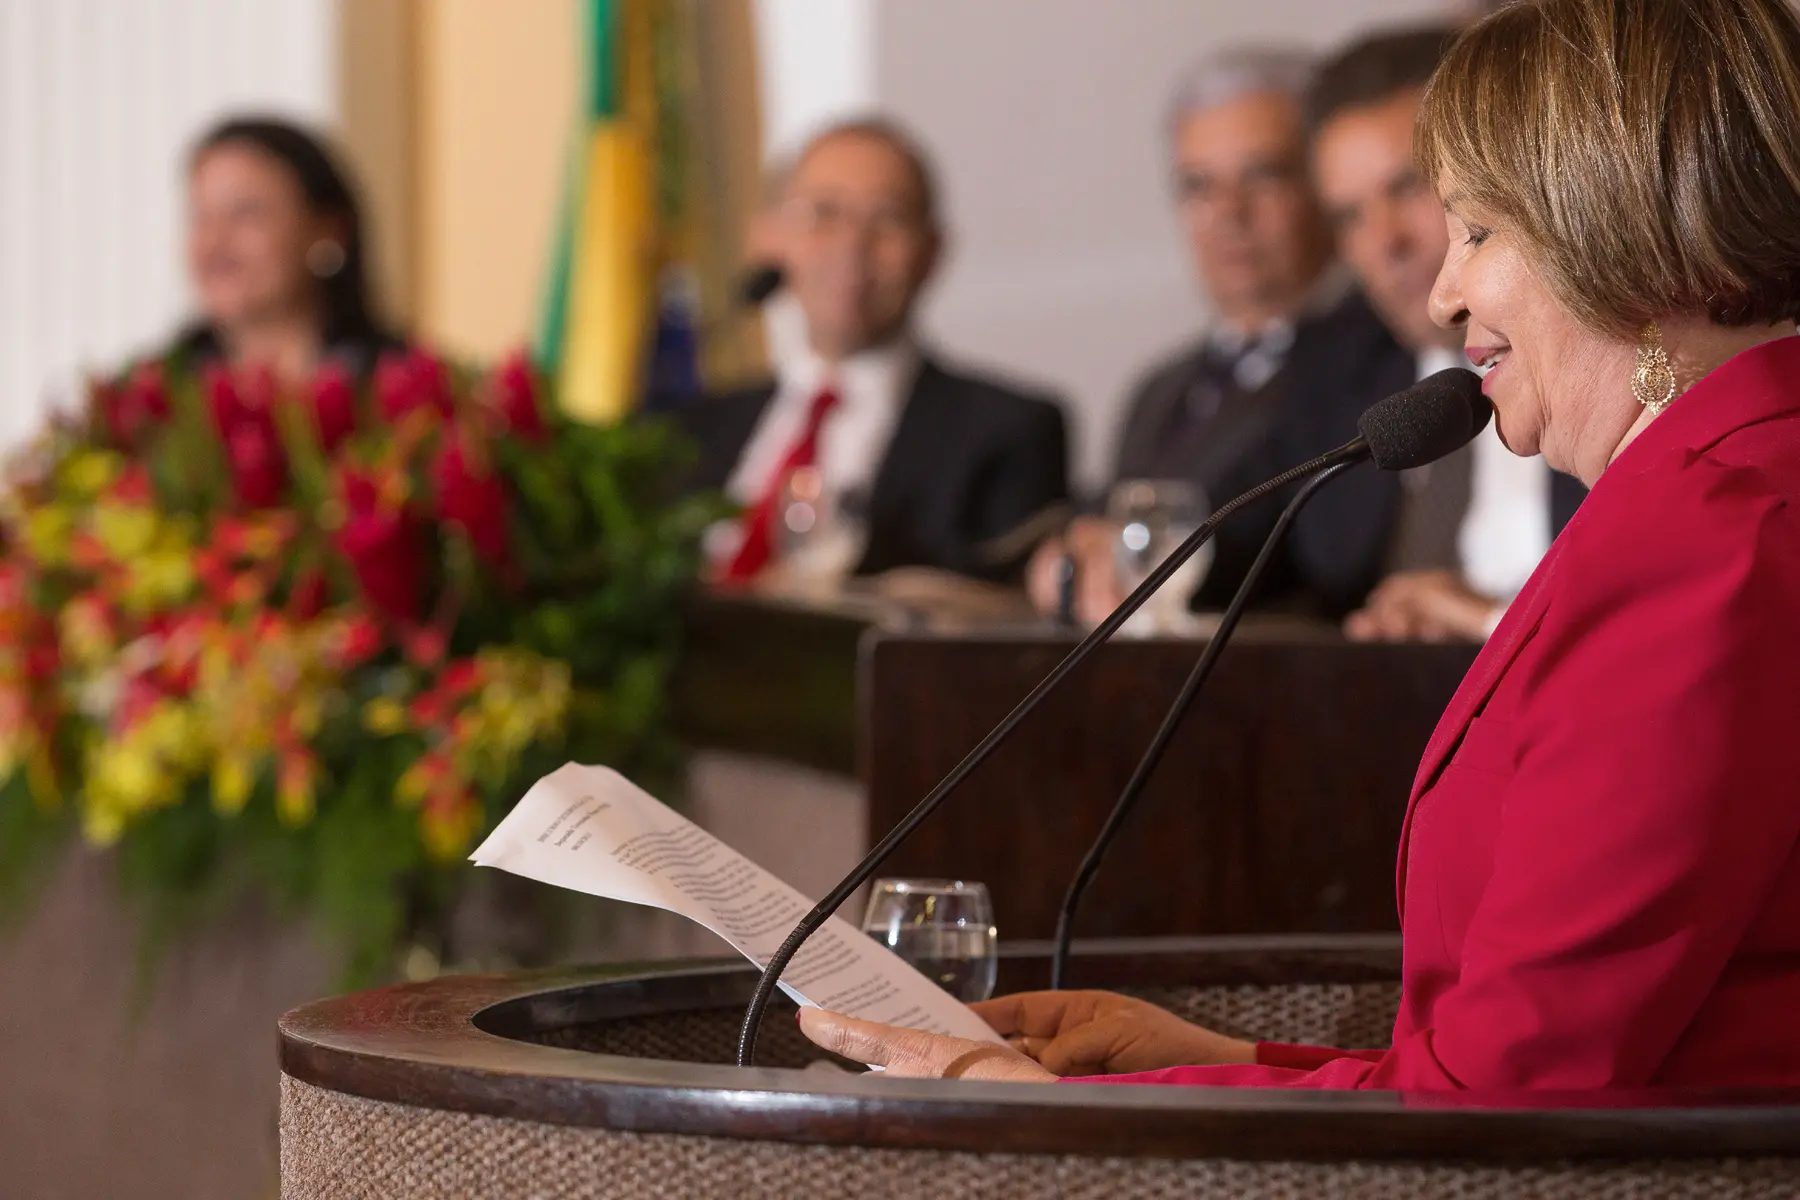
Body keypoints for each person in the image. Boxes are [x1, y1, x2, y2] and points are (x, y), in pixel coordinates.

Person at [798, 0, 1800, 1090]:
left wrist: (1055, 1107)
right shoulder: (1723, 498)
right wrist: (1221, 1061)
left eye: (1475, 230)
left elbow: (1504, 1115)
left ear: (1617, 222)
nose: (1442, 289)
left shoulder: (1707, 546)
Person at [673, 118, 1070, 585]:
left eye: (887, 218)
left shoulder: (1008, 433)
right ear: (767, 238)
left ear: (932, 251)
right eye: (823, 213)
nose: (852, 245)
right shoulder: (690, 432)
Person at [1285, 28, 1586, 639]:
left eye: (1408, 188)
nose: (1384, 243)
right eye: (1350, 216)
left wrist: (1490, 625)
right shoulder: (1332, 370)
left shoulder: (1608, 366)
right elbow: (1239, 522)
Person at [1023, 48, 1338, 621]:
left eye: (1262, 176)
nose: (1228, 213)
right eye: (1199, 186)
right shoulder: (1158, 390)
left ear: (1326, 184)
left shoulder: (1378, 364)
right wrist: (1071, 554)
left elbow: (1318, 556)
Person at [172, 117, 402, 381]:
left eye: (246, 212)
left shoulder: (411, 392)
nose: (214, 242)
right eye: (202, 216)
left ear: (327, 231)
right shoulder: (147, 402)